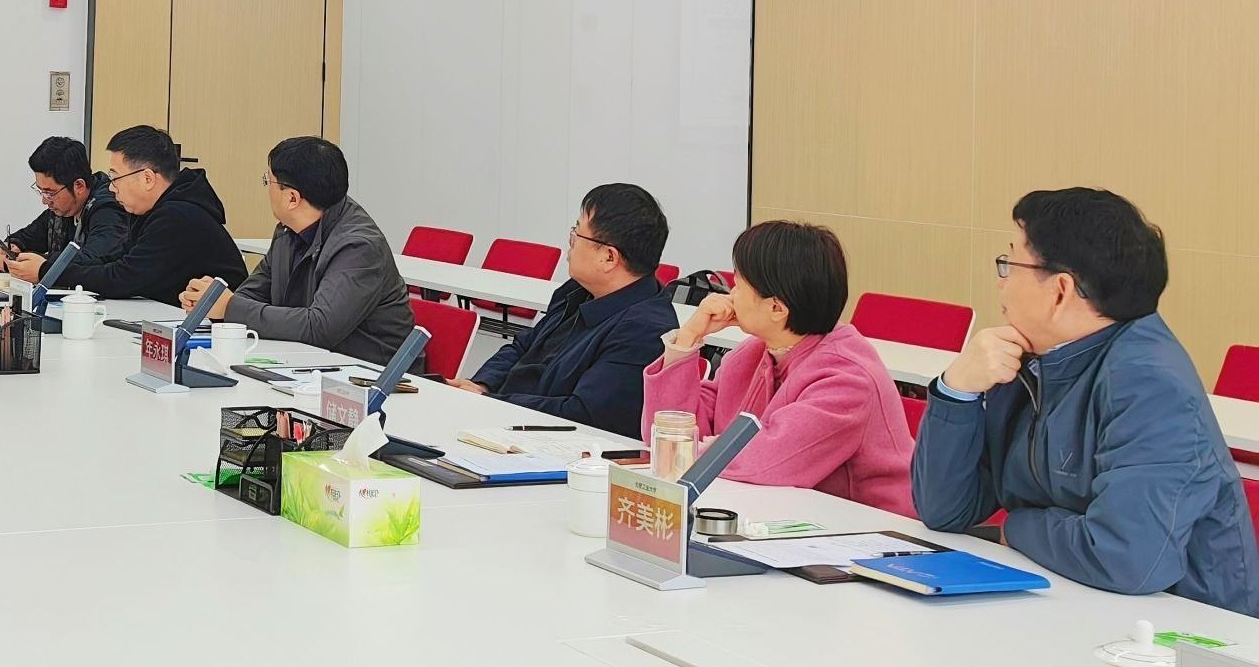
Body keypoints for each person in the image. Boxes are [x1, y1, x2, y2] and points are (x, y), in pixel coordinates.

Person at [913, 188, 1258, 614]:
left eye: (1010, 264)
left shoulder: (1151, 384)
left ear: (1059, 290)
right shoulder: (1029, 359)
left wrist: (1016, 527)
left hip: (1185, 626)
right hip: (1072, 597)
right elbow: (945, 511)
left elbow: (1126, 559)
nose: (1001, 281)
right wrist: (958, 389)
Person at [644, 221, 914, 514]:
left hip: (874, 525)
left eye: (739, 285)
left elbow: (763, 461)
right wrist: (688, 337)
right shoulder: (754, 352)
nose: (729, 294)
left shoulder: (848, 379)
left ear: (776, 308)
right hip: (788, 511)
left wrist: (675, 450)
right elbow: (670, 428)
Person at [449, 183, 677, 435]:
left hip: (551, 442)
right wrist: (483, 386)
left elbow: (582, 415)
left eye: (576, 235)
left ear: (609, 257)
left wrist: (492, 402)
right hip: (504, 420)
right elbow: (522, 346)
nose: (570, 244)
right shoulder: (576, 291)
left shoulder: (644, 330)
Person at [177, 137, 412, 365]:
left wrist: (230, 307)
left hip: (368, 373)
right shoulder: (288, 230)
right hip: (305, 359)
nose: (267, 189)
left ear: (292, 198)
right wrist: (214, 303)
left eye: (268, 181)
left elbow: (319, 328)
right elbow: (254, 292)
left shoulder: (359, 247)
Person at [63, 125, 246, 305]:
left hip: (219, 322)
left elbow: (122, 279)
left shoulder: (178, 217)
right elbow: (117, 259)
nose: (111, 187)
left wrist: (57, 273)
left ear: (147, 178)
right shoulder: (151, 210)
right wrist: (57, 265)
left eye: (115, 178)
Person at [0, 137, 128, 282]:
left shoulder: (109, 209)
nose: (44, 201)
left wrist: (12, 264)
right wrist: (13, 246)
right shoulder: (64, 208)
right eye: (41, 191)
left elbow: (94, 258)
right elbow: (29, 236)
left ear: (79, 185)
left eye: (49, 193)